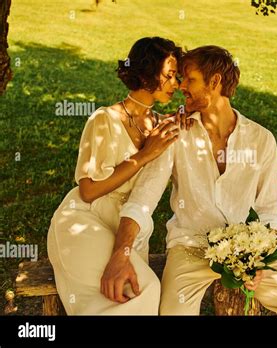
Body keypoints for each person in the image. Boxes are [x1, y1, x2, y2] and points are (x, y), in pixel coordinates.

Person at [107, 45, 277, 315]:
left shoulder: (261, 139)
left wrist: (259, 260)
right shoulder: (175, 132)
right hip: (189, 248)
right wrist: (121, 253)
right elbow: (144, 198)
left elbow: (269, 210)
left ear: (215, 81)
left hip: (247, 251)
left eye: (189, 79)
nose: (180, 85)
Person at [47, 36, 183, 315]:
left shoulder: (160, 126)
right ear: (147, 72)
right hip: (83, 219)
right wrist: (144, 155)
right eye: (169, 75)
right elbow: (88, 190)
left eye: (178, 77)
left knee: (128, 293)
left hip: (123, 231)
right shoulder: (104, 119)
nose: (176, 84)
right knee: (145, 289)